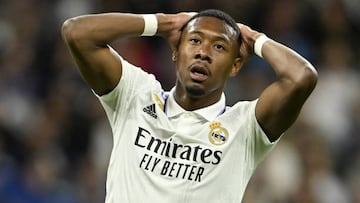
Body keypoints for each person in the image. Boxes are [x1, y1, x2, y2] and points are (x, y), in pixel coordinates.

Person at [62, 9, 317, 203]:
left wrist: (255, 40)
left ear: (235, 65)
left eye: (219, 46)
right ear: (175, 51)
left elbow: (301, 77)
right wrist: (161, 23)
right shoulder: (135, 95)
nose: (203, 52)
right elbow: (77, 33)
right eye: (195, 41)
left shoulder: (245, 127)